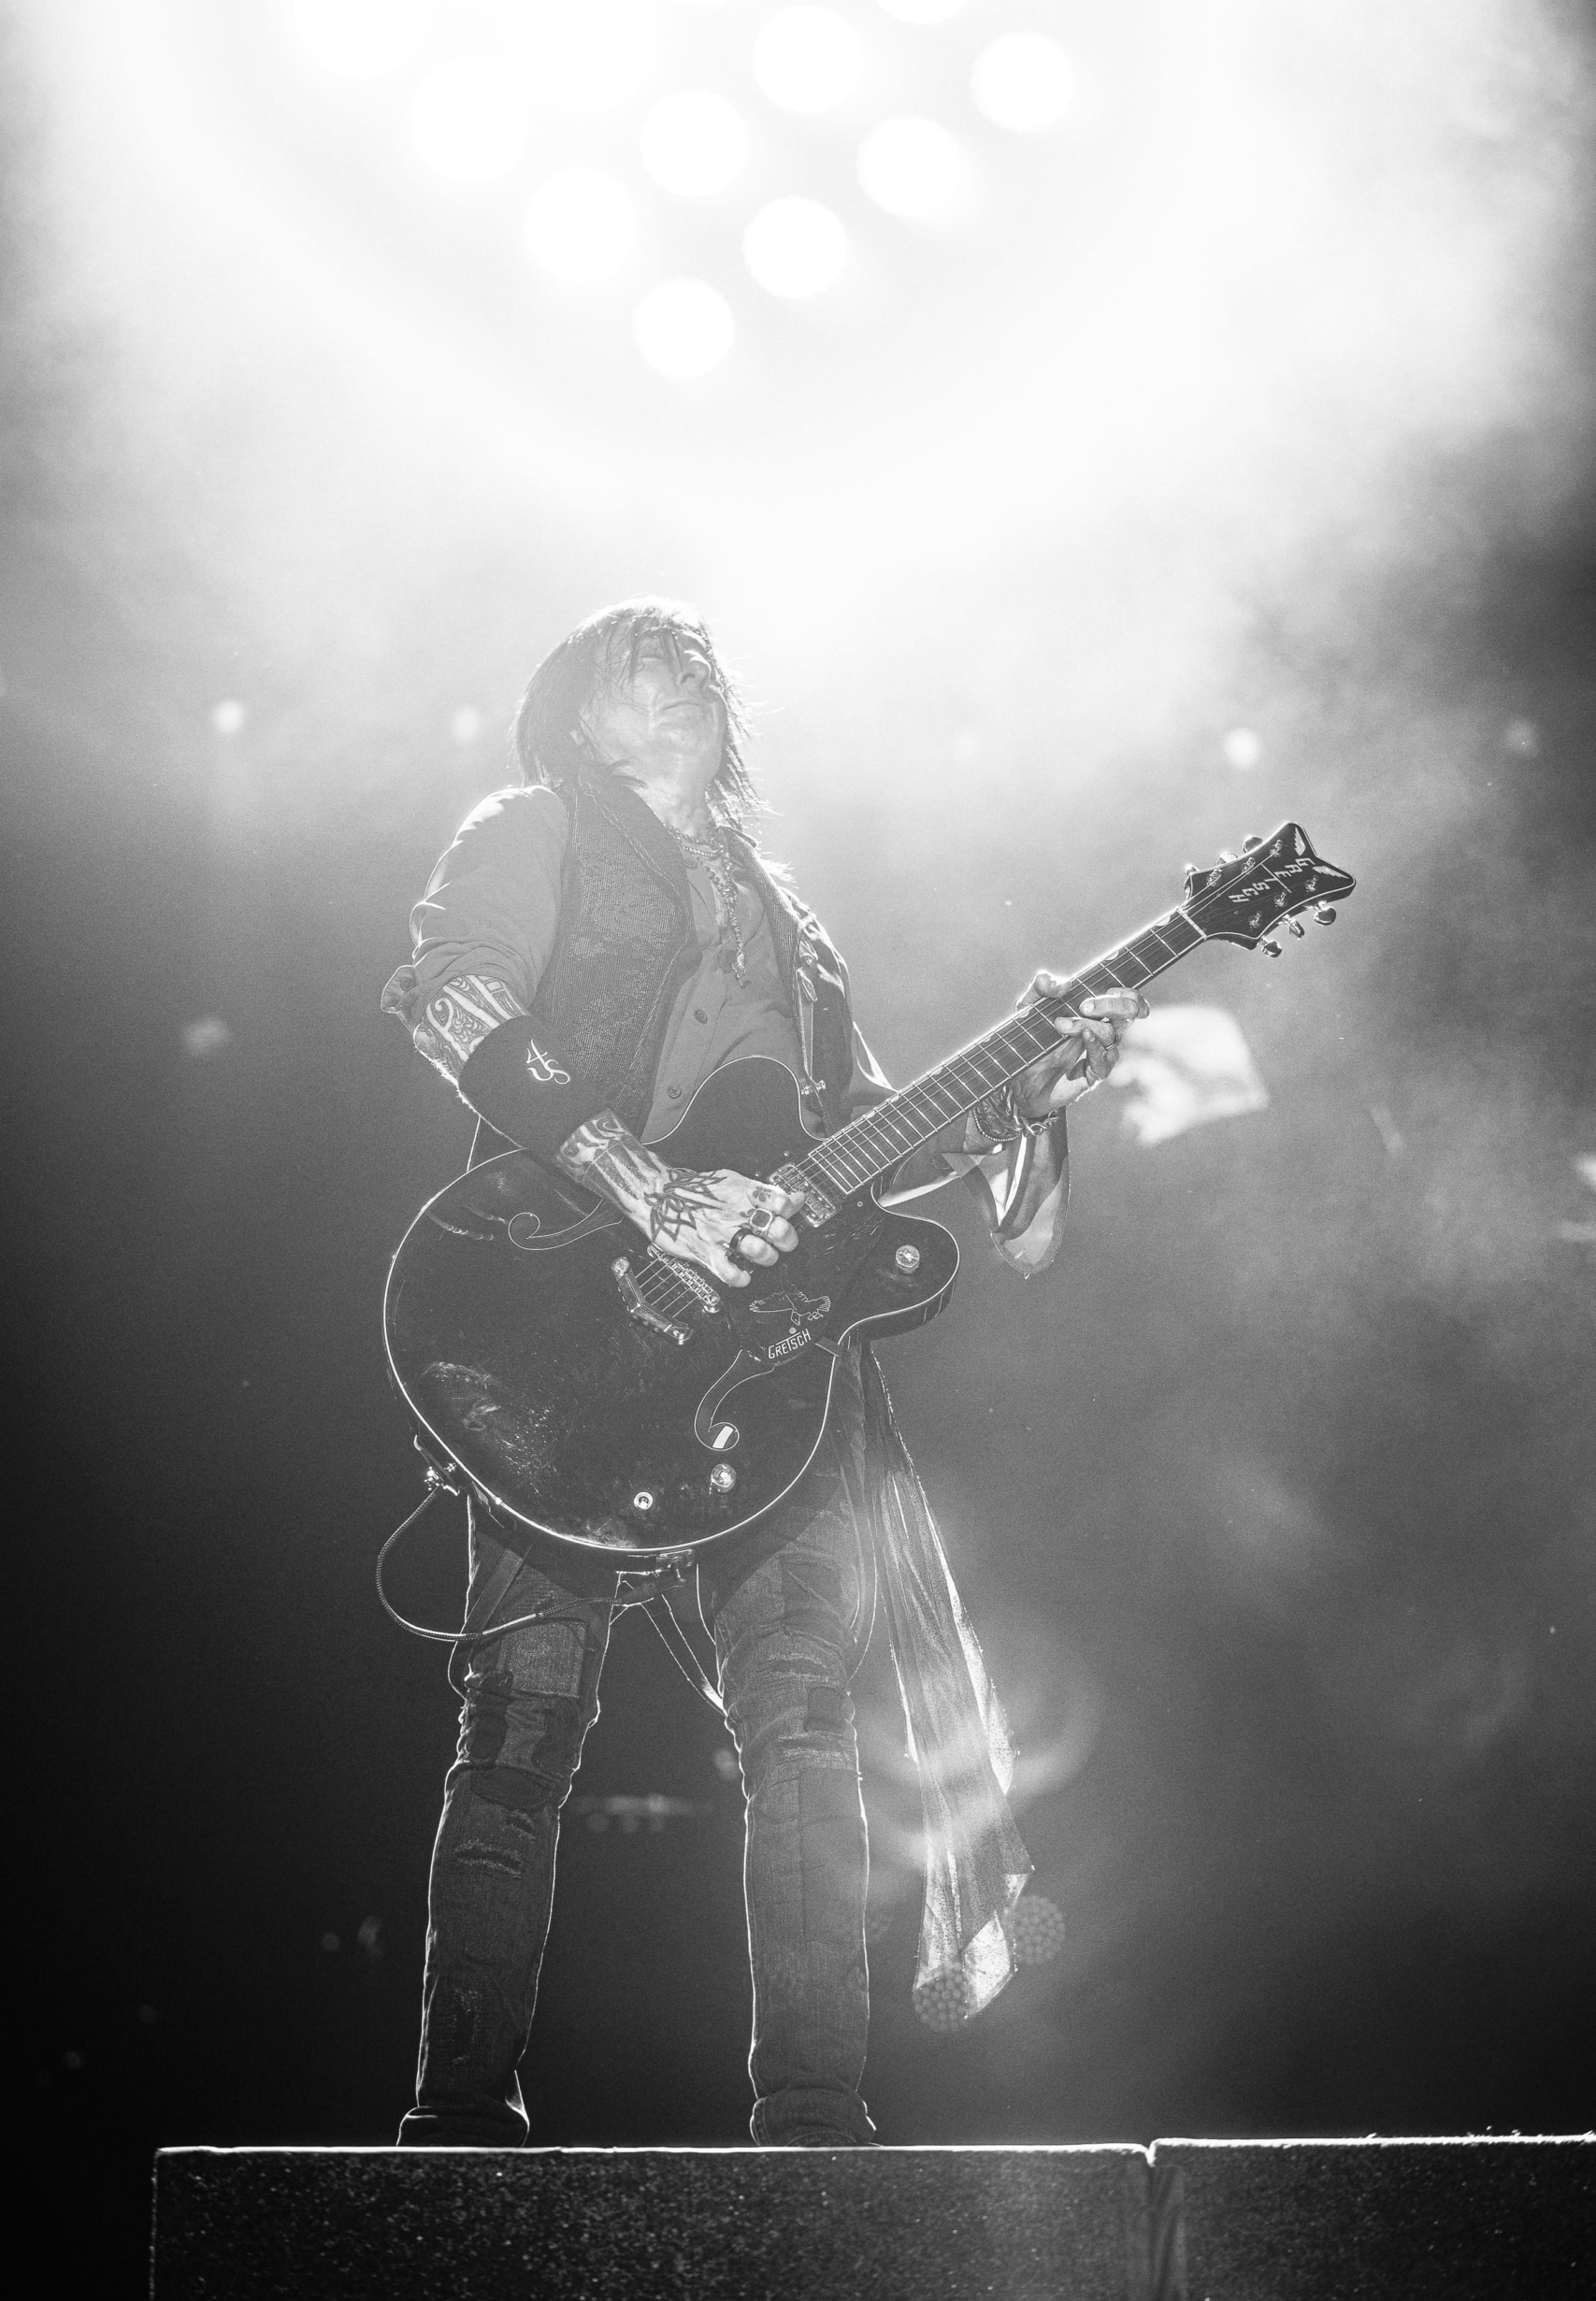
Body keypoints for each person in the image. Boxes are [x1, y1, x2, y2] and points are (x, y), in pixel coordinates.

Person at [381, 597, 1143, 2147]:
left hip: (767, 1365)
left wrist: (1023, 1091)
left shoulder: (796, 929)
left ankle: (811, 2115)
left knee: (801, 1714)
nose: (674, 682)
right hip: (555, 1322)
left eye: (694, 669)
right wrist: (646, 1186)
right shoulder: (531, 832)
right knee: (521, 1722)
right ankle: (455, 2124)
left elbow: (861, 1148)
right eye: (636, 668)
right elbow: (454, 996)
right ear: (577, 713)